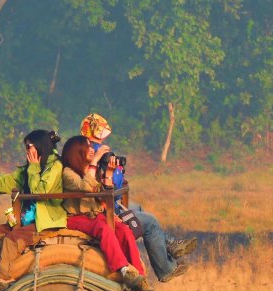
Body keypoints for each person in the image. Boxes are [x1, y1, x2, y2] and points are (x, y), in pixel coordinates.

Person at [79, 113, 197, 282]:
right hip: (100, 208)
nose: (100, 145)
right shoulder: (88, 156)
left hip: (107, 202)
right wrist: (103, 166)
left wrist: (111, 171)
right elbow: (96, 186)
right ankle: (166, 269)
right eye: (98, 141)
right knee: (151, 222)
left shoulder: (84, 151)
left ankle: (170, 244)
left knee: (137, 208)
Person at [0, 130, 66, 291]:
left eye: (29, 147)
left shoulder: (56, 167)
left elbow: (40, 191)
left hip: (46, 221)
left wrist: (34, 167)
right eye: (26, 147)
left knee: (13, 239)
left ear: (40, 147)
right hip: (27, 219)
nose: (27, 151)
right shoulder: (27, 170)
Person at [61, 135, 154, 291]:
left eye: (92, 147)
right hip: (76, 217)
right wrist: (95, 161)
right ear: (77, 152)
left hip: (96, 215)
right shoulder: (68, 173)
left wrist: (109, 174)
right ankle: (123, 269)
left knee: (123, 230)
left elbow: (103, 194)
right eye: (87, 147)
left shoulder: (89, 170)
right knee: (103, 228)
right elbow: (86, 187)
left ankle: (140, 276)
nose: (92, 150)